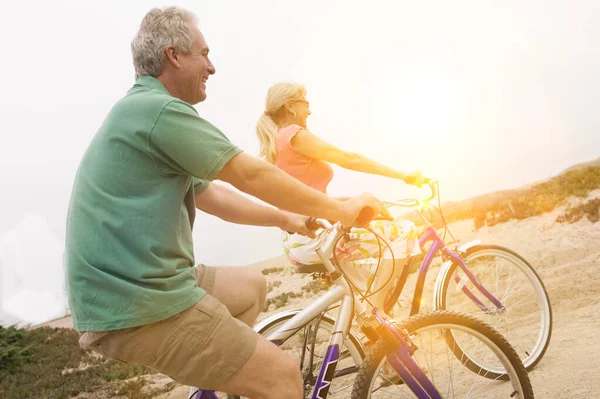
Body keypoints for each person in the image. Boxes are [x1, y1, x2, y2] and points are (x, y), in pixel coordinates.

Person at [65, 7, 386, 399]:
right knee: (283, 378)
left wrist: (289, 219)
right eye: (204, 53)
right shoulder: (158, 111)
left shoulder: (142, 112)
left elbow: (212, 195)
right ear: (174, 55)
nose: (212, 67)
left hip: (143, 284)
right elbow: (248, 174)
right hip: (140, 299)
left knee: (251, 287)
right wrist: (338, 210)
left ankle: (217, 387)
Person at [256, 82, 427, 308]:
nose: (309, 110)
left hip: (298, 240)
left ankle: (372, 324)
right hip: (315, 235)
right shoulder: (294, 135)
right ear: (290, 106)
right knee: (403, 232)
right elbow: (349, 159)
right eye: (305, 103)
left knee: (366, 292)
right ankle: (376, 313)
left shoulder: (275, 141)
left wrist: (351, 202)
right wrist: (403, 175)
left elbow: (306, 198)